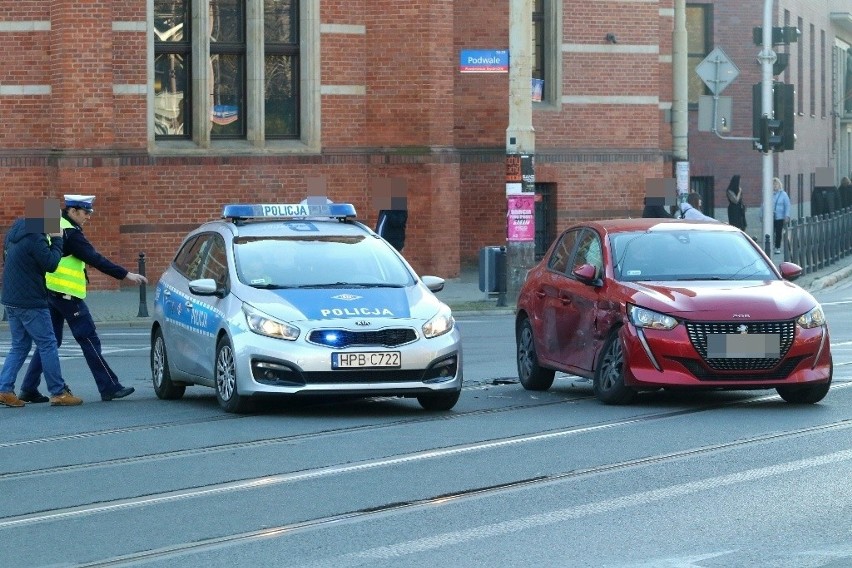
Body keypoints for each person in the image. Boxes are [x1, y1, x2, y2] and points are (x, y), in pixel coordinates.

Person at [18, 195, 147, 403]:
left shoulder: (53, 221)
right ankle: (109, 387)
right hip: (68, 295)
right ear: (73, 211)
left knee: (50, 341)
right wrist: (125, 274)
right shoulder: (71, 234)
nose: (88, 217)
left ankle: (28, 387)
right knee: (88, 338)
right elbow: (94, 258)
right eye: (86, 213)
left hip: (49, 291)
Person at [0, 200, 82, 407]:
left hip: (11, 299)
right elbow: (51, 264)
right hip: (31, 301)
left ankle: (4, 389)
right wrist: (56, 240)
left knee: (20, 345)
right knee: (48, 343)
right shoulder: (36, 238)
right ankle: (58, 392)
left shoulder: (14, 232)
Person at [771, 177, 791, 255]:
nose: (775, 186)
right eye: (773, 184)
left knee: (779, 232)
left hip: (780, 216)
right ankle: (771, 244)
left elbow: (787, 205)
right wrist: (762, 215)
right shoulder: (769, 194)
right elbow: (764, 205)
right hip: (771, 216)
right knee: (771, 232)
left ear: (779, 185)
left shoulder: (783, 194)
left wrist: (787, 215)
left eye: (776, 184)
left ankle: (777, 247)